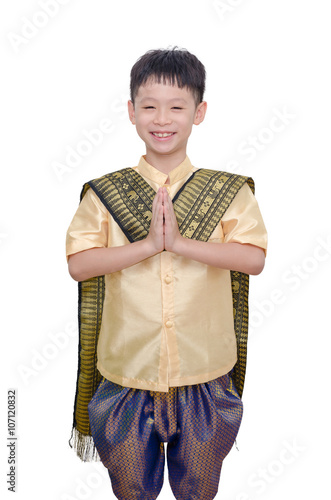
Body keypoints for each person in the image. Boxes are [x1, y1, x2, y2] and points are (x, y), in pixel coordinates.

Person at [66, 47, 267, 500]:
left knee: (199, 490)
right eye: (150, 106)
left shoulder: (227, 190)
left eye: (177, 107)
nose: (163, 118)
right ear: (131, 112)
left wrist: (178, 245)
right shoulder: (105, 193)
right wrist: (147, 247)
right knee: (131, 490)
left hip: (205, 373)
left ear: (199, 112)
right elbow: (79, 265)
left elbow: (253, 258)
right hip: (125, 374)